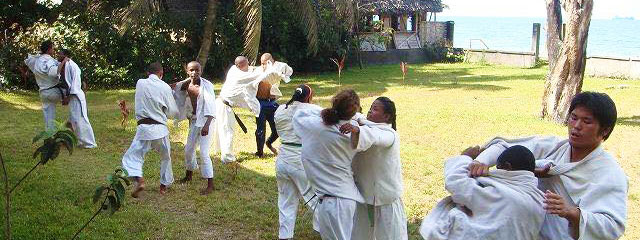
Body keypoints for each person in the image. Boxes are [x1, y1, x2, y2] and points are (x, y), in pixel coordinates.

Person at [469, 92, 627, 240]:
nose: (576, 126)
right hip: (524, 230)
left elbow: (613, 226)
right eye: (573, 118)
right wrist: (481, 161)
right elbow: (506, 146)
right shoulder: (555, 146)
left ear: (605, 130)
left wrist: (572, 213)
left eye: (586, 121)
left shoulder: (610, 174)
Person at [293, 89, 388, 240]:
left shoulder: (314, 125)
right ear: (354, 111)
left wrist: (330, 112)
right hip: (342, 199)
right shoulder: (355, 133)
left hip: (335, 202)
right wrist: (358, 120)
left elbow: (300, 113)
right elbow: (373, 133)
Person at [420, 145, 546, 240]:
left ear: (507, 167)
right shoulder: (540, 202)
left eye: (498, 167)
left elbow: (456, 182)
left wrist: (465, 157)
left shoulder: (499, 193)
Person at [348, 97, 407, 240]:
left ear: (386, 116)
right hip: (364, 194)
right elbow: (357, 116)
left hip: (386, 197)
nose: (370, 110)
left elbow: (376, 136)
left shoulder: (389, 134)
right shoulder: (365, 123)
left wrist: (357, 130)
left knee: (391, 235)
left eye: (375, 109)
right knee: (359, 233)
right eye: (371, 107)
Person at [122, 62, 179, 198]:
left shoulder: (140, 83)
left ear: (148, 73)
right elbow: (172, 112)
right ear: (161, 73)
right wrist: (168, 93)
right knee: (166, 157)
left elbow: (150, 92)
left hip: (144, 129)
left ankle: (139, 180)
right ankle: (163, 186)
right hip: (160, 130)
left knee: (132, 156)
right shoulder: (165, 87)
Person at [274, 84, 321, 239]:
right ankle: (325, 231)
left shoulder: (280, 109)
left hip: (282, 159)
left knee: (286, 200)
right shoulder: (312, 110)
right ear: (308, 97)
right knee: (316, 198)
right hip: (301, 159)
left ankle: (285, 236)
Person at [172, 61, 216, 195]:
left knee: (203, 152)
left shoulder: (207, 86)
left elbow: (211, 107)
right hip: (194, 121)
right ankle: (189, 175)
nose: (194, 73)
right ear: (187, 71)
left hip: (206, 121)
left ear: (201, 70)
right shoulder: (185, 84)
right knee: (189, 150)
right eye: (191, 70)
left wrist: (207, 125)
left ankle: (210, 184)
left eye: (197, 70)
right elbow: (173, 88)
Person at [213, 56, 261, 163]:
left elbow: (250, 71)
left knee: (222, 129)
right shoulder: (239, 77)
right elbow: (252, 78)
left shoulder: (233, 69)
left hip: (221, 103)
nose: (248, 66)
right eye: (247, 65)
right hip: (224, 106)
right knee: (227, 131)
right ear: (242, 65)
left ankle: (220, 151)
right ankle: (227, 157)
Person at [252, 53, 294, 157]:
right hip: (260, 103)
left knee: (277, 129)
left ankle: (269, 143)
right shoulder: (258, 72)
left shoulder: (277, 69)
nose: (263, 66)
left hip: (272, 103)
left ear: (271, 62)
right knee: (260, 129)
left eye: (265, 64)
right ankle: (259, 152)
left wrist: (281, 71)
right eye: (261, 64)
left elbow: (288, 71)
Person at [56, 49, 97, 148]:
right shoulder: (65, 65)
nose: (57, 55)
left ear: (66, 55)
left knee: (80, 120)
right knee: (72, 120)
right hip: (72, 97)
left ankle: (90, 143)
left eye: (60, 54)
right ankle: (73, 140)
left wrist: (68, 97)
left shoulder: (73, 66)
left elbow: (75, 85)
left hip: (76, 97)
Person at [24, 40, 67, 130]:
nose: (54, 50)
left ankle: (49, 137)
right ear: (49, 50)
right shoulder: (49, 60)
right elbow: (53, 72)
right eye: (52, 48)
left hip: (43, 93)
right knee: (75, 93)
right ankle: (72, 120)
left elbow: (29, 63)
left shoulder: (37, 60)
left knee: (49, 119)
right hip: (53, 92)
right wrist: (64, 61)